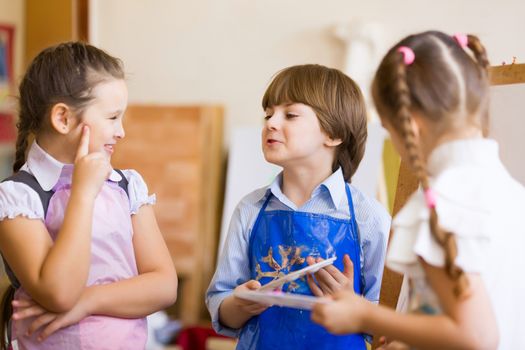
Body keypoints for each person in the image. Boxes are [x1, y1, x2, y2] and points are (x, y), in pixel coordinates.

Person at [312, 30, 525, 349]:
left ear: (409, 125)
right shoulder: (511, 193)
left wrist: (364, 316)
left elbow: (475, 336)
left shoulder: (443, 203)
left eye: (388, 130)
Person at [0, 42, 178, 349]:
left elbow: (163, 286)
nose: (121, 131)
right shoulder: (17, 197)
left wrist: (88, 301)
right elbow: (59, 292)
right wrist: (82, 193)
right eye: (112, 118)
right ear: (63, 119)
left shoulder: (126, 186)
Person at [206, 64, 390, 350]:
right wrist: (241, 304)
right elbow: (221, 302)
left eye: (290, 115)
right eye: (268, 114)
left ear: (333, 134)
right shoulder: (250, 209)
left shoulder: (369, 217)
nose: (271, 123)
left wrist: (355, 307)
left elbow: (391, 321)